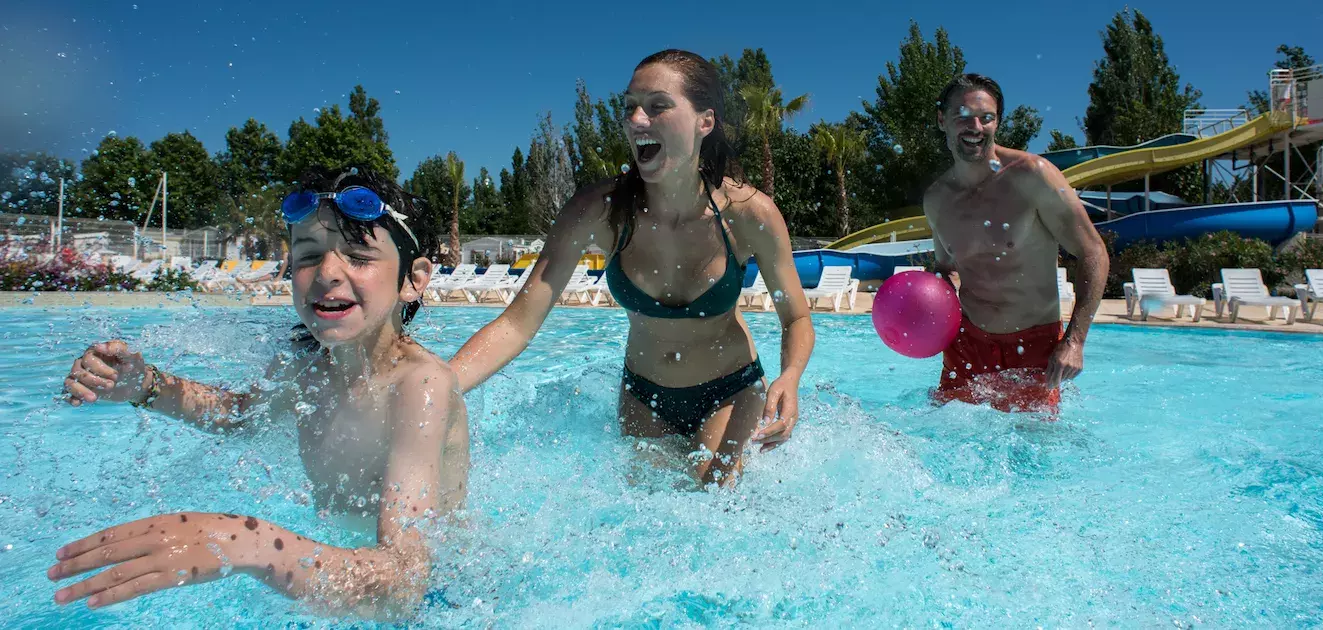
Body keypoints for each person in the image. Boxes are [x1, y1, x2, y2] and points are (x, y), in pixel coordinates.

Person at [52, 166, 470, 620]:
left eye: (359, 255)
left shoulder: (420, 387)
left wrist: (249, 542)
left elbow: (406, 583)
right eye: (309, 255)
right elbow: (239, 416)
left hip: (437, 602)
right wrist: (146, 386)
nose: (328, 272)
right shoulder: (303, 365)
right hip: (333, 572)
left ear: (414, 279)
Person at [448, 49, 815, 487]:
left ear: (705, 122)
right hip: (644, 394)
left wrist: (790, 377)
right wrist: (438, 389)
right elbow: (516, 325)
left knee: (714, 497)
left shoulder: (749, 214)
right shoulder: (597, 212)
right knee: (647, 521)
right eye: (629, 107)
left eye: (658, 105)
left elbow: (796, 317)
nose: (636, 120)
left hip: (730, 390)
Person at [922, 73, 1108, 414]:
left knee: (1032, 456)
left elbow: (1092, 251)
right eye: (963, 115)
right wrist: (928, 323)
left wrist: (1075, 340)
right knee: (945, 444)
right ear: (942, 120)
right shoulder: (936, 200)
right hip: (965, 345)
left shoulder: (1032, 176)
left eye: (987, 117)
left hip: (1033, 346)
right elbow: (947, 270)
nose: (975, 126)